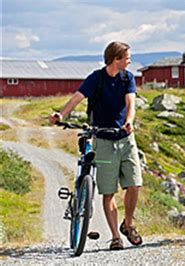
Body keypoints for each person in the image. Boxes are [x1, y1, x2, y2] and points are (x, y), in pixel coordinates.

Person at [49, 41, 143, 250]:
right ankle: (116, 236)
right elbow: (77, 98)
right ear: (116, 59)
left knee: (134, 185)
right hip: (102, 139)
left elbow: (131, 104)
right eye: (127, 57)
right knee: (108, 192)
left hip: (125, 138)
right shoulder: (96, 78)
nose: (130, 60)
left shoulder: (127, 78)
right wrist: (61, 114)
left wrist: (129, 121)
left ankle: (128, 224)